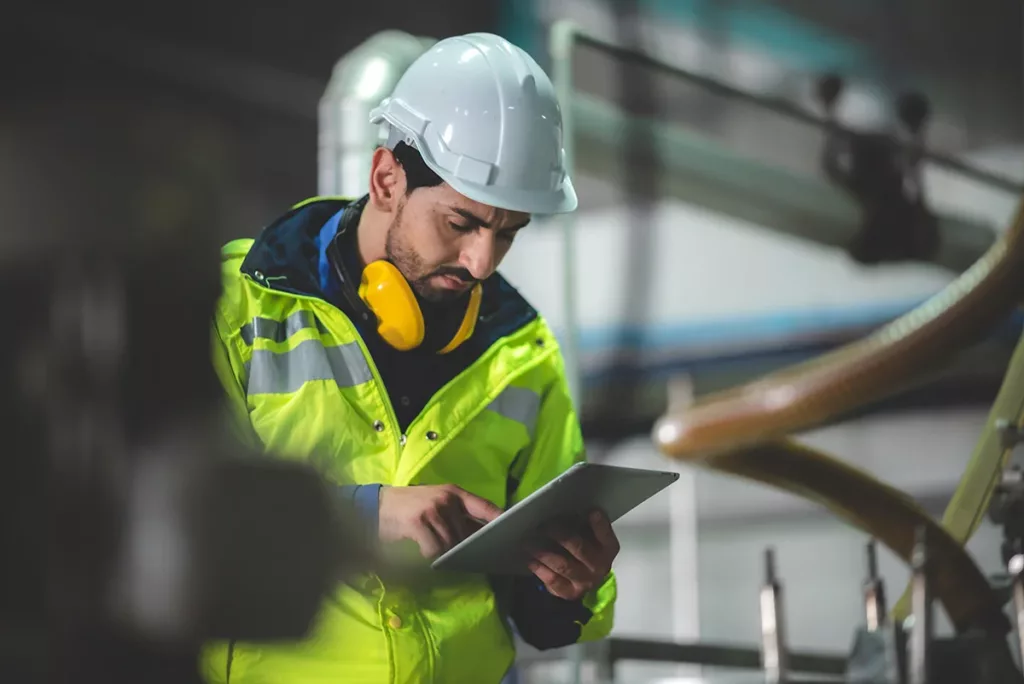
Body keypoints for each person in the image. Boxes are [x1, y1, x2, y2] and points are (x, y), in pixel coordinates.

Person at [199, 32, 618, 684]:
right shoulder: (238, 309)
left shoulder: (522, 354)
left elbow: (544, 621)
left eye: (507, 233)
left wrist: (570, 584)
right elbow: (180, 532)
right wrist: (364, 515)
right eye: (460, 223)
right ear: (386, 177)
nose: (482, 261)